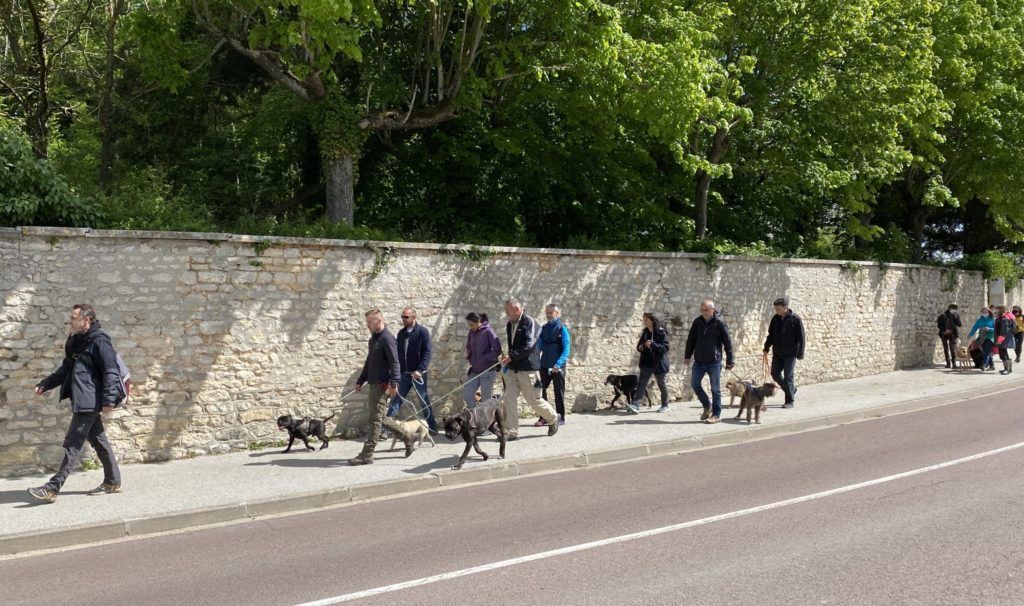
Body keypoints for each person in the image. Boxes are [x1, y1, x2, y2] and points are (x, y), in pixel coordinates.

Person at [29, 304, 123, 503]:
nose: (69, 321)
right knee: (99, 441)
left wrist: (108, 400)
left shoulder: (100, 341)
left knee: (73, 444)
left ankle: (53, 488)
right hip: (81, 398)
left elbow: (111, 371)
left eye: (73, 318)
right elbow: (66, 369)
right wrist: (46, 384)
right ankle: (112, 481)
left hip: (90, 400)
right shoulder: (75, 341)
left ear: (86, 320)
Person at [349, 309, 418, 466]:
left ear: (378, 321)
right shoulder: (374, 339)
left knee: (374, 420)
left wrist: (394, 384)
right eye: (366, 322)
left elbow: (395, 363)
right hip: (373, 383)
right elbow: (369, 361)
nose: (367, 325)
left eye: (369, 322)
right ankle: (408, 437)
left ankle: (367, 454)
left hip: (383, 385)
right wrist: (361, 379)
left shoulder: (387, 339)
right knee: (379, 417)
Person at [499, 298, 560, 440]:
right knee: (509, 398)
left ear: (515, 309)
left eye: (507, 310)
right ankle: (512, 432)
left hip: (528, 369)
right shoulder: (510, 324)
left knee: (533, 400)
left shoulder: (529, 322)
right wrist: (508, 359)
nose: (505, 312)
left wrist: (512, 356)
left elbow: (529, 344)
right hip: (513, 368)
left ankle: (553, 418)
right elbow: (514, 346)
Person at [386, 307, 437, 434]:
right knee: (396, 400)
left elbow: (427, 352)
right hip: (404, 374)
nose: (403, 319)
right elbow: (398, 354)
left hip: (418, 375)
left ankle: (432, 427)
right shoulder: (401, 334)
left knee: (424, 401)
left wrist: (420, 370)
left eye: (406, 317)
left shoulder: (422, 332)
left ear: (414, 317)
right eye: (402, 317)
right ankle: (385, 429)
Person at [684, 300, 735, 424]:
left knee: (715, 389)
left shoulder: (719, 323)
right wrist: (687, 356)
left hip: (714, 362)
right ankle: (707, 405)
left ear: (713, 310)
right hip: (699, 361)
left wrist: (730, 360)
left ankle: (716, 414)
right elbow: (691, 339)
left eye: (706, 310)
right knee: (695, 384)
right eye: (702, 310)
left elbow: (728, 342)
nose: (704, 312)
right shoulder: (697, 322)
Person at [763, 297, 805, 409]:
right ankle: (791, 389)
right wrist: (766, 347)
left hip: (790, 353)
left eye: (778, 308)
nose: (776, 311)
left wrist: (800, 353)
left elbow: (801, 337)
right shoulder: (775, 319)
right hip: (778, 352)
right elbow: (770, 335)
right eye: (775, 309)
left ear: (786, 307)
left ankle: (789, 401)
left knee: (788, 376)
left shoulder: (795, 319)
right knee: (775, 374)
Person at [627, 312, 671, 414]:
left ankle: (665, 405)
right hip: (647, 362)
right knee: (642, 384)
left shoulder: (661, 332)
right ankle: (635, 405)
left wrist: (653, 345)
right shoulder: (645, 332)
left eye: (646, 320)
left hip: (659, 363)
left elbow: (665, 348)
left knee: (662, 384)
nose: (644, 322)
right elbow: (639, 346)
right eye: (644, 320)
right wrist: (642, 347)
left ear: (652, 320)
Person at [535, 304, 571, 426]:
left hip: (557, 367)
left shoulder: (562, 329)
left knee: (558, 392)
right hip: (545, 365)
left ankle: (560, 417)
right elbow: (538, 346)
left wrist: (558, 364)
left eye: (551, 312)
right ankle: (544, 416)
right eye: (547, 312)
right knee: (540, 391)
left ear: (557, 313)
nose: (549, 314)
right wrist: (535, 360)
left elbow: (566, 349)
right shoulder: (543, 329)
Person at [463, 312, 502, 409]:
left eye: (472, 324)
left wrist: (485, 358)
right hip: (475, 371)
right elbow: (469, 346)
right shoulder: (471, 333)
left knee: (486, 400)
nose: (470, 327)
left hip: (488, 371)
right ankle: (475, 418)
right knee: (467, 395)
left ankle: (487, 422)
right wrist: (469, 356)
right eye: (469, 325)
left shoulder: (488, 331)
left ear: (478, 322)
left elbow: (498, 350)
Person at [967, 307, 996, 372]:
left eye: (986, 312)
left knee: (986, 351)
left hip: (991, 338)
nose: (984, 313)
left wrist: (989, 329)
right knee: (987, 351)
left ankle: (984, 364)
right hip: (982, 338)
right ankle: (992, 365)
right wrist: (969, 335)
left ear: (989, 312)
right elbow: (974, 328)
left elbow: (996, 330)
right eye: (983, 312)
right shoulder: (979, 320)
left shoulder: (993, 320)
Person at [937, 304, 962, 369]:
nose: (954, 310)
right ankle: (948, 363)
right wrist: (945, 330)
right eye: (953, 308)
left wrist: (956, 317)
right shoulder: (942, 315)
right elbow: (939, 325)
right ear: (949, 308)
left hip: (953, 334)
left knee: (952, 348)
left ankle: (953, 363)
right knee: (945, 348)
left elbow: (959, 324)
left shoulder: (956, 315)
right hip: (944, 333)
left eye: (955, 309)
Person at [994, 305, 1017, 375]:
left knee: (1003, 353)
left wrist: (999, 340)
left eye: (997, 309)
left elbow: (1004, 330)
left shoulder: (1004, 318)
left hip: (1003, 339)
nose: (996, 311)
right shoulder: (1002, 318)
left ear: (1000, 310)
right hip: (1004, 338)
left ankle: (1007, 369)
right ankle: (1008, 369)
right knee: (1004, 353)